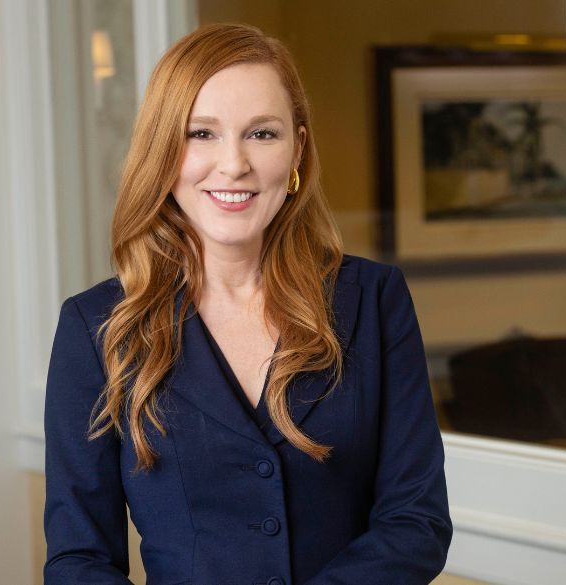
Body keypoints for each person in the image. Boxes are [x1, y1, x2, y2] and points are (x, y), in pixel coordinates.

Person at [44, 23, 452, 585]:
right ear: (163, 152)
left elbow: (417, 523)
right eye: (201, 134)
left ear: (297, 149)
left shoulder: (374, 300)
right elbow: (79, 561)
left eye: (261, 133)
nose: (234, 164)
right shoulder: (95, 327)